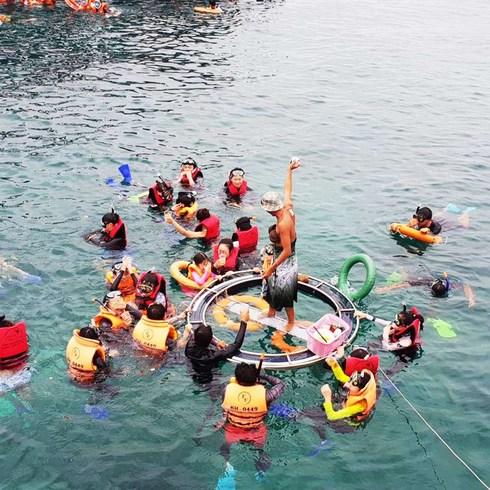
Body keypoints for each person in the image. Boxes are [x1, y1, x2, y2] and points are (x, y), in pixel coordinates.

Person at [220, 362, 286, 477]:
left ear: (236, 379)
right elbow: (280, 384)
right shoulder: (266, 395)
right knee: (259, 451)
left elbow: (226, 408)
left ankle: (228, 466)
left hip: (234, 430)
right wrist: (263, 375)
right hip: (256, 431)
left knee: (226, 447)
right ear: (255, 379)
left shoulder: (226, 391)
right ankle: (260, 472)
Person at [260, 158, 300, 330]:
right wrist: (290, 170)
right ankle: (271, 311)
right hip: (278, 255)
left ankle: (291, 321)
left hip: (286, 259)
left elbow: (287, 250)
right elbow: (287, 189)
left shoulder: (283, 224)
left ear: (270, 209)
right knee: (271, 286)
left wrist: (271, 268)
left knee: (284, 289)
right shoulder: (287, 207)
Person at [184, 307, 249, 383]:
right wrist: (244, 321)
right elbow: (237, 344)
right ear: (210, 339)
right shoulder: (214, 356)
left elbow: (199, 336)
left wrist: (216, 342)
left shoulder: (189, 346)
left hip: (192, 374)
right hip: (209, 381)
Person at [375, 270, 476, 307]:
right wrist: (471, 298)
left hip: (422, 281)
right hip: (423, 279)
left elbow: (404, 285)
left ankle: (403, 271)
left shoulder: (427, 285)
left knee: (407, 278)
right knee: (407, 276)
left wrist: (385, 289)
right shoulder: (449, 286)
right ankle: (403, 271)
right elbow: (465, 286)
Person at [356, 304, 424, 353]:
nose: (395, 323)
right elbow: (384, 322)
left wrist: (385, 332)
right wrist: (365, 315)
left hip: (403, 351)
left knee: (391, 371)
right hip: (393, 341)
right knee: (371, 343)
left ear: (405, 326)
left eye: (397, 321)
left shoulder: (406, 341)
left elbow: (387, 348)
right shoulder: (399, 326)